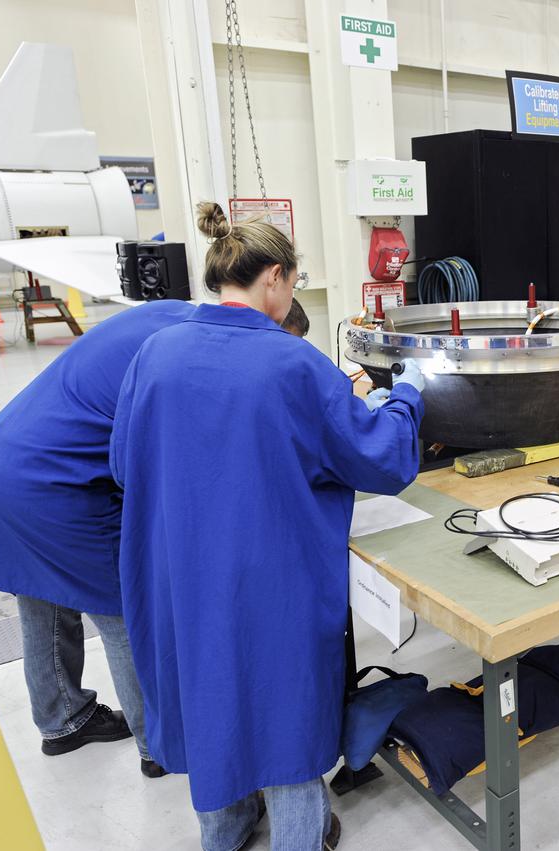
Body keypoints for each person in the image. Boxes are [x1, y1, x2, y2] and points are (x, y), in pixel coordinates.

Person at [110, 202, 424, 851]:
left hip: (180, 575)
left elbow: (123, 461)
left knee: (210, 695)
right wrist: (408, 396)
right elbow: (382, 457)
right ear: (275, 277)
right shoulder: (293, 363)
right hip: (269, 582)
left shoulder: (156, 352)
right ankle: (298, 839)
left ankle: (223, 831)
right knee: (284, 708)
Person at [0, 298, 194, 775]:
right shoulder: (184, 349)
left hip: (1, 458)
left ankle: (62, 719)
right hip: (54, 484)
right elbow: (151, 461)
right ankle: (158, 747)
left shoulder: (166, 315)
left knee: (43, 592)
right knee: (125, 612)